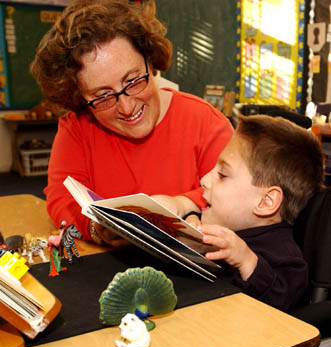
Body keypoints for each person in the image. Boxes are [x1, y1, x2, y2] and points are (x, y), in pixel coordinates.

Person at [30, 0, 233, 246]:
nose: (127, 107)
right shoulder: (78, 126)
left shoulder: (205, 122)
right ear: (79, 96)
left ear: (150, 61)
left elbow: (236, 195)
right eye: (103, 96)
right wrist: (96, 228)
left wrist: (187, 205)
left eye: (134, 80)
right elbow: (62, 198)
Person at [194, 114, 324, 311]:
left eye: (222, 174)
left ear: (266, 201)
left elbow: (280, 307)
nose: (204, 179)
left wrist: (247, 262)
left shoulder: (285, 258)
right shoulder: (230, 227)